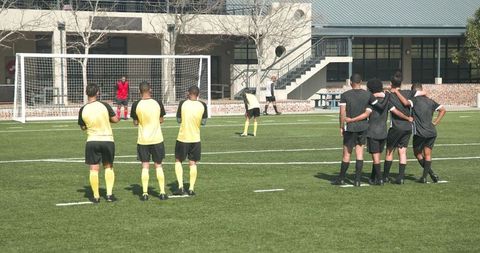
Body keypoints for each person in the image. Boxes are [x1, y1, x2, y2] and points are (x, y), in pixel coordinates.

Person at [394, 83, 446, 183]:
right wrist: (435, 122)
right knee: (427, 154)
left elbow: (405, 103)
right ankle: (425, 177)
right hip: (431, 131)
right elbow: (443, 110)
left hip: (420, 132)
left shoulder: (415, 100)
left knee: (417, 153)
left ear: (414, 91)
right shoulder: (430, 101)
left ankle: (429, 174)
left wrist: (396, 92)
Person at [332, 74, 378, 187]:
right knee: (360, 153)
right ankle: (357, 180)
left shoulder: (345, 95)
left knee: (346, 154)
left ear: (350, 82)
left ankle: (341, 179)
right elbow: (377, 105)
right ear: (361, 82)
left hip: (350, 127)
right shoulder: (368, 95)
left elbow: (342, 112)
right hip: (363, 127)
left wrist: (341, 126)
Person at [78, 83, 120, 203]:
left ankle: (96, 196)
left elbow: (82, 127)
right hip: (107, 140)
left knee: (94, 168)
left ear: (86, 94)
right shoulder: (104, 105)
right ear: (97, 93)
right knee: (108, 167)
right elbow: (115, 120)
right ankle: (109, 195)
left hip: (92, 141)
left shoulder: (83, 109)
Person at [130, 82, 168, 201]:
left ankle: (145, 193)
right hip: (157, 139)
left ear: (139, 91)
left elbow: (135, 123)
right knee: (158, 166)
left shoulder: (136, 104)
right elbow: (161, 120)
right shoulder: (158, 103)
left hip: (143, 140)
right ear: (150, 90)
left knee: (145, 166)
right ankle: (162, 192)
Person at [174, 85, 208, 196]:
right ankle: (192, 188)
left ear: (188, 93)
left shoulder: (182, 103)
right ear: (198, 94)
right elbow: (203, 122)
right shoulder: (203, 105)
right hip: (196, 139)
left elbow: (178, 120)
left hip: (183, 137)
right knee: (193, 163)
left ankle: (180, 187)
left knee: (178, 160)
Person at [383, 72, 415, 184]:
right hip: (408, 128)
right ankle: (400, 177)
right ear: (401, 83)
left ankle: (385, 176)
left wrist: (390, 90)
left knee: (389, 151)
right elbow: (422, 92)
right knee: (402, 152)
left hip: (396, 126)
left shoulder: (389, 95)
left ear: (391, 83)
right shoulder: (409, 92)